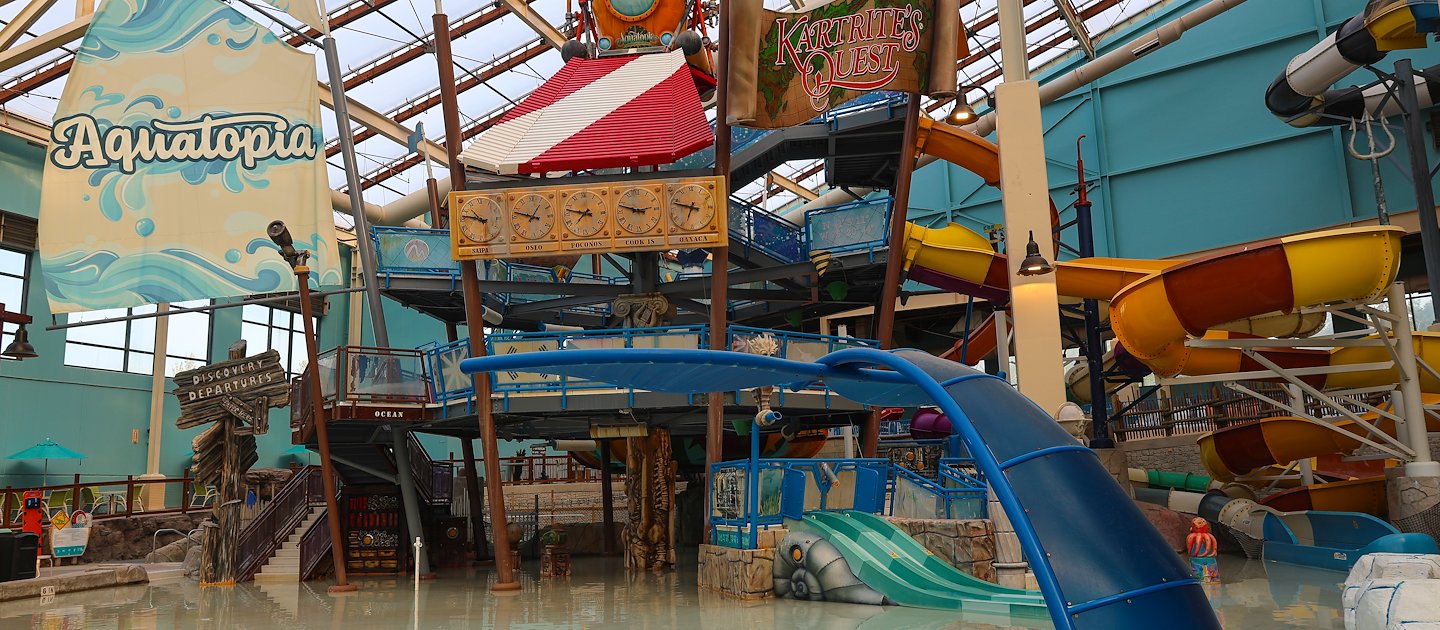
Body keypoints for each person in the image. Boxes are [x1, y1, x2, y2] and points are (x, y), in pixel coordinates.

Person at [1186, 517, 1219, 584]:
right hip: (1196, 560)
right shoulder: (1192, 536)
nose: (1200, 523)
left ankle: (1210, 580)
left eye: (1202, 522)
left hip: (1208, 561)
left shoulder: (1208, 536)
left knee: (1212, 580)